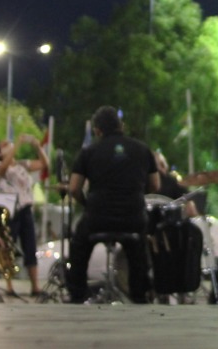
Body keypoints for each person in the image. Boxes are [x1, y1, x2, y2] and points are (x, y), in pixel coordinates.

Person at [66, 106, 160, 304]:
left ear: (97, 131)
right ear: (121, 126)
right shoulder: (143, 149)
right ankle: (139, 295)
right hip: (132, 217)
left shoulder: (88, 152)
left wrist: (86, 204)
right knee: (138, 247)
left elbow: (74, 188)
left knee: (79, 246)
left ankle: (76, 295)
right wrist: (132, 194)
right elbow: (155, 185)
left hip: (97, 217)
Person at [0, 132, 49, 296]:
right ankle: (9, 285)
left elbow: (44, 164)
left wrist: (37, 146)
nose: (9, 145)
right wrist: (16, 145)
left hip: (25, 208)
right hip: (10, 209)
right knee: (8, 246)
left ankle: (35, 286)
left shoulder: (22, 165)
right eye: (4, 145)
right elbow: (3, 168)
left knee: (30, 246)